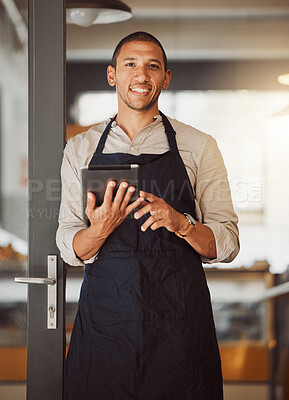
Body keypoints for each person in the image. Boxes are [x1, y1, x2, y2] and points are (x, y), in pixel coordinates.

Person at [56, 31, 239, 400]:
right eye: (130, 64)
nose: (142, 75)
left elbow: (228, 243)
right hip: (107, 325)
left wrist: (181, 223)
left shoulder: (199, 146)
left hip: (179, 329)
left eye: (152, 66)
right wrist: (101, 228)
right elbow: (69, 246)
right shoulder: (80, 149)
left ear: (165, 78)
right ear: (113, 76)